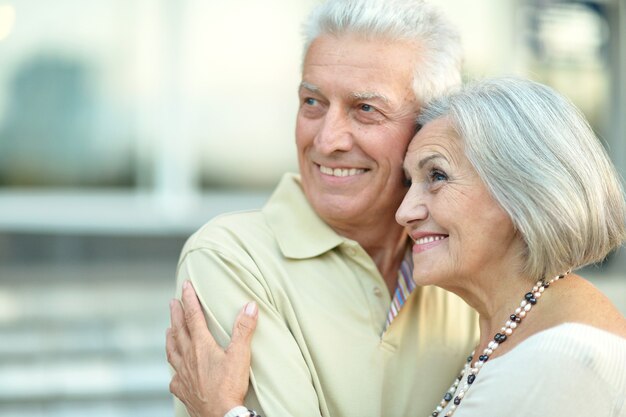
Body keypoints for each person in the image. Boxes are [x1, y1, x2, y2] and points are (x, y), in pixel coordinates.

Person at [169, 77, 626, 417]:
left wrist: (224, 413)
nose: (405, 211)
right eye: (410, 182)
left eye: (437, 177)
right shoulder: (517, 332)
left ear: (524, 193)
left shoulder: (562, 361)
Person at [166, 0, 479, 416]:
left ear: (429, 128)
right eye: (312, 102)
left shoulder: (468, 263)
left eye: (365, 109)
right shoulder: (229, 257)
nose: (328, 140)